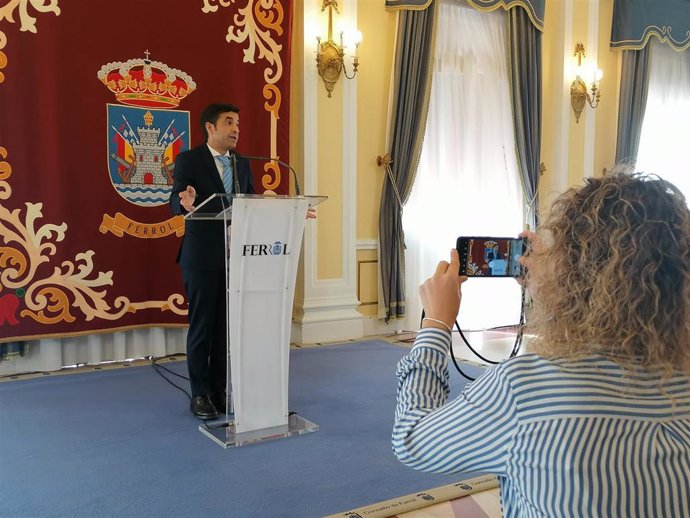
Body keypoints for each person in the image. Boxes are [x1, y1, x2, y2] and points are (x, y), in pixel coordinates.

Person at [393, 171, 690, 517]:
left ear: (573, 274)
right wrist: (548, 281)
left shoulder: (525, 390)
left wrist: (435, 323)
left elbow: (412, 439)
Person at [170, 103, 255, 420]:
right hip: (202, 257)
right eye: (229, 122)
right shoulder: (189, 160)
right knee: (203, 328)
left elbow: (251, 201)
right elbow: (175, 198)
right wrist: (185, 201)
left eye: (238, 123)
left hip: (235, 258)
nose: (236, 129)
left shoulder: (242, 163)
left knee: (224, 331)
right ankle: (200, 395)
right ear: (210, 127)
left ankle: (220, 392)